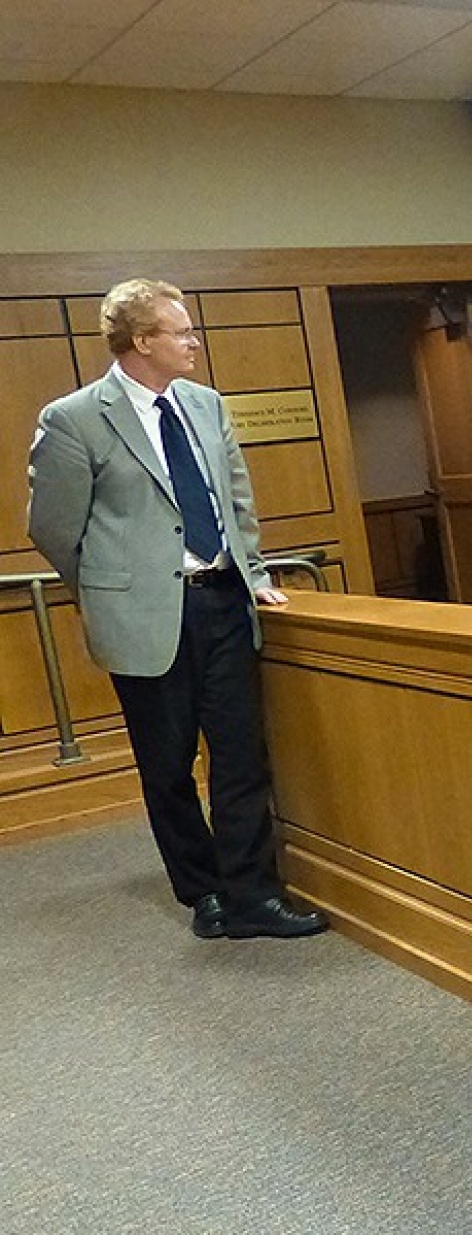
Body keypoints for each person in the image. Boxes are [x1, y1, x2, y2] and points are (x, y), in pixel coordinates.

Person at [26, 278, 327, 940]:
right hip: (142, 615)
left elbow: (234, 497)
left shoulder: (205, 404)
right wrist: (111, 589)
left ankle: (253, 893)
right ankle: (204, 891)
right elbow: (52, 525)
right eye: (181, 331)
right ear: (142, 342)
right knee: (166, 765)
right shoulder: (74, 418)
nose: (194, 341)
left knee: (241, 755)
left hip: (221, 600)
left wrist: (251, 569)